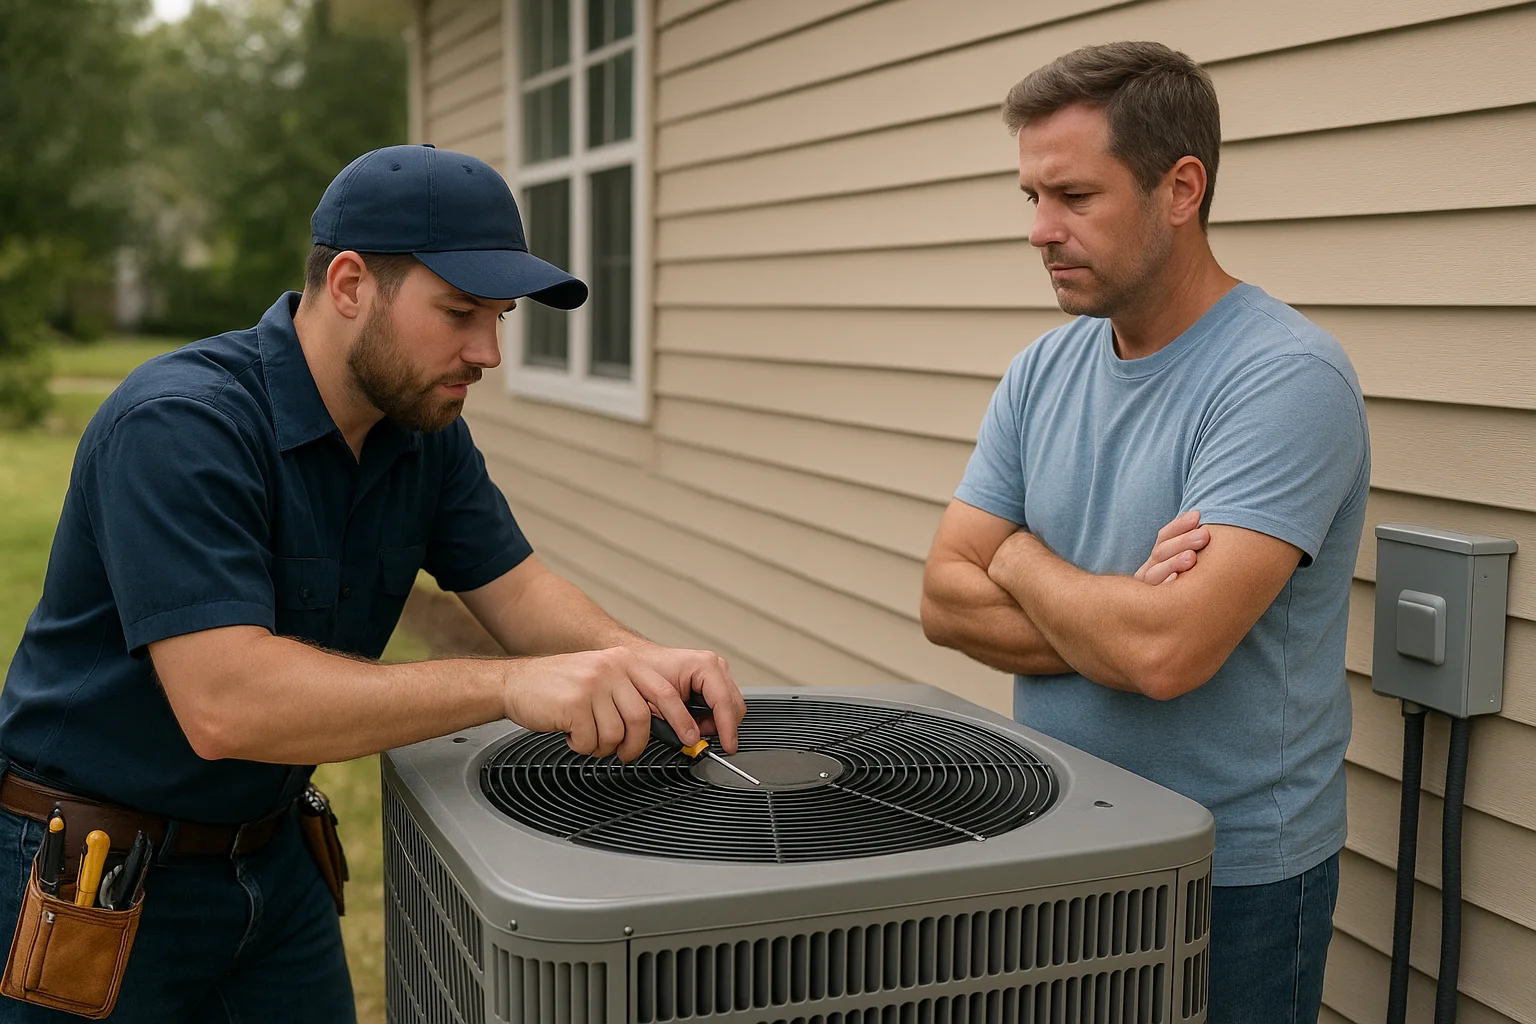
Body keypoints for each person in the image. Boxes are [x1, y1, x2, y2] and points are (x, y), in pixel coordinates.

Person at [0, 143, 746, 1021]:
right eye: (460, 312)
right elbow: (226, 704)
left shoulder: (423, 431)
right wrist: (510, 685)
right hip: (93, 879)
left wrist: (640, 661)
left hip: (274, 865)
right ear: (350, 284)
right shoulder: (181, 425)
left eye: (499, 317)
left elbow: (518, 591)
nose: (488, 352)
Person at [920, 42, 1369, 1024]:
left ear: (1181, 189)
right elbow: (943, 598)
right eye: (1031, 196)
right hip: (1054, 831)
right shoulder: (1042, 371)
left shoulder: (1284, 379)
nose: (1040, 230)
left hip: (1231, 876)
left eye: (1074, 196)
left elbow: (1165, 654)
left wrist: (1016, 554)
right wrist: (1116, 615)